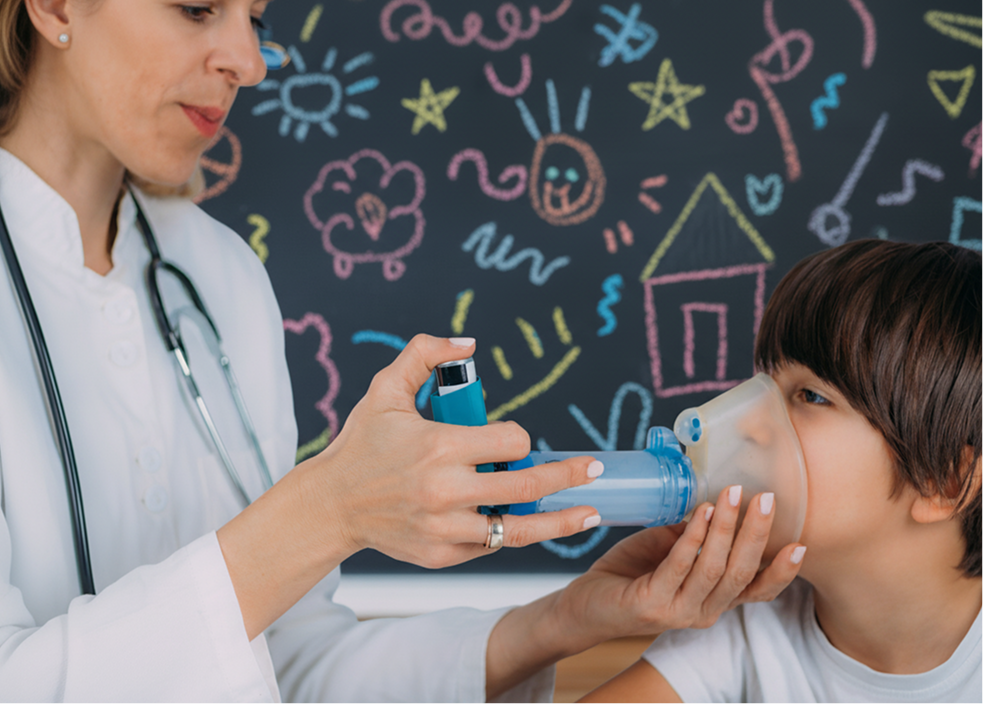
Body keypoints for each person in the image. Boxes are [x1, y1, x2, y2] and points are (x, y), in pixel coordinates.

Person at [0, 1, 805, 701]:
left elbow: (291, 666)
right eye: (196, 7)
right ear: (57, 6)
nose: (248, 61)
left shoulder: (218, 275)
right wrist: (323, 513)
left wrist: (567, 618)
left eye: (257, 18)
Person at [578, 240, 983, 704]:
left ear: (943, 482)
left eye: (811, 396)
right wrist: (573, 616)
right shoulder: (741, 629)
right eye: (763, 385)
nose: (749, 422)